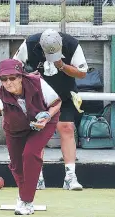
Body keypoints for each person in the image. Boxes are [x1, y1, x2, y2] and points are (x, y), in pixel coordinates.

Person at [0, 59, 61, 215]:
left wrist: (47, 118)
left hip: (43, 123)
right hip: (15, 129)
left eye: (12, 78)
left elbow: (56, 103)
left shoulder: (37, 83)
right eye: (4, 79)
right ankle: (24, 196)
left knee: (30, 154)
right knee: (17, 165)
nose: (8, 83)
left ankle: (26, 201)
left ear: (21, 76)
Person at [13, 29, 88, 191]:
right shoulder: (29, 43)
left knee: (66, 127)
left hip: (64, 93)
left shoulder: (72, 45)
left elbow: (82, 73)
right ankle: (36, 176)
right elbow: (14, 67)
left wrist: (62, 66)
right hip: (37, 95)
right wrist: (27, 77)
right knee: (37, 132)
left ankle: (70, 176)